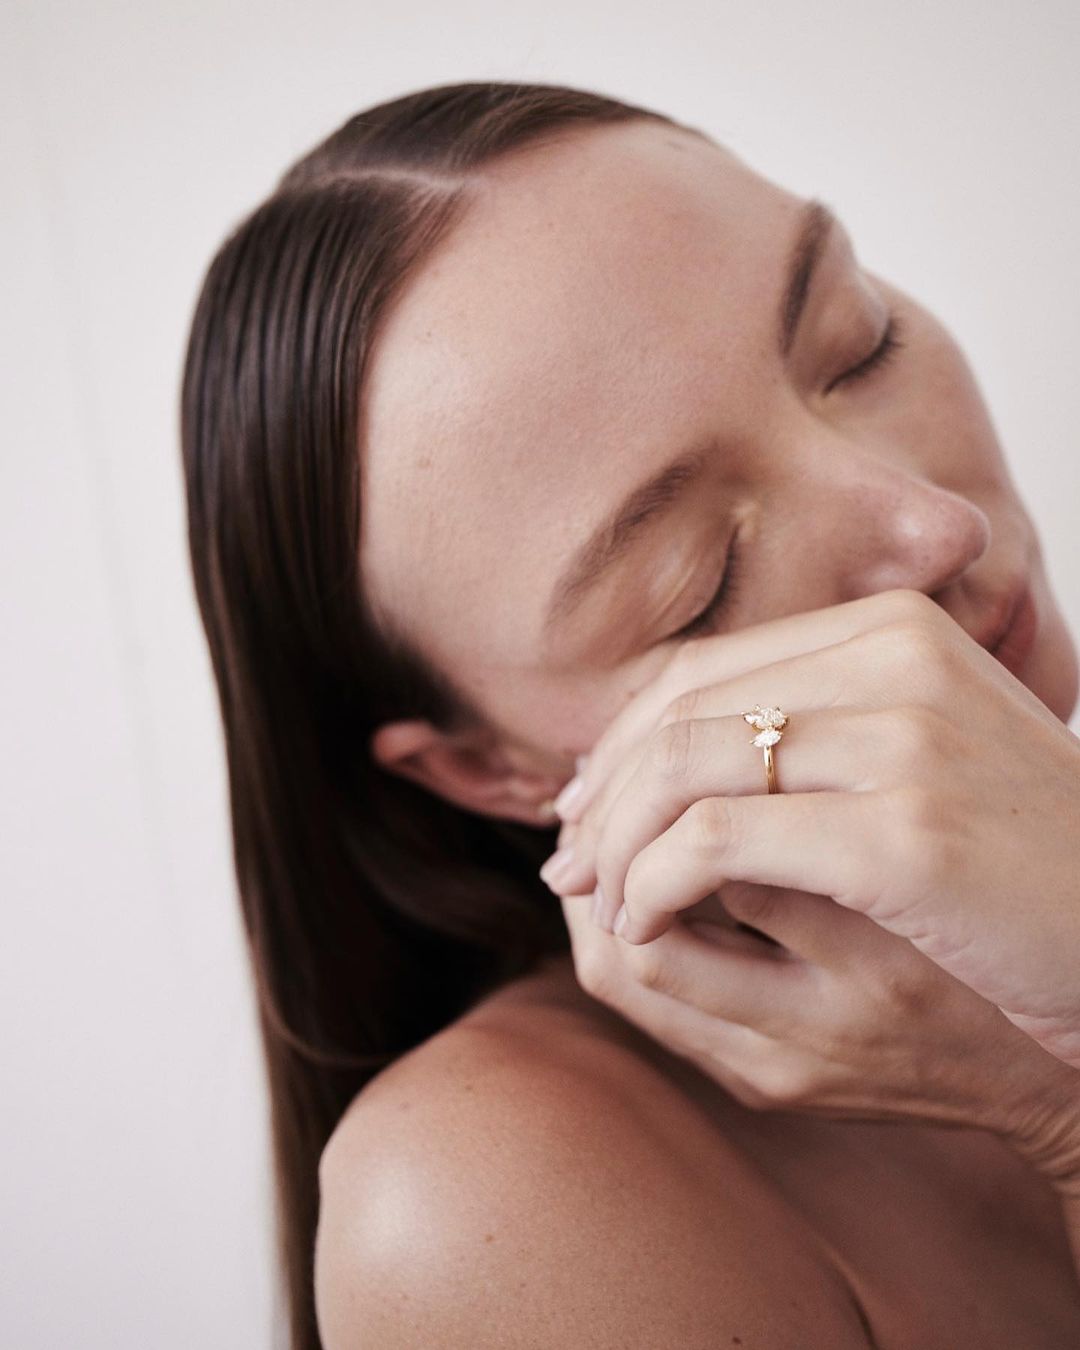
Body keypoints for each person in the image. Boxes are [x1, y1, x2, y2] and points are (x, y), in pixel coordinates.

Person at [179, 80, 1080, 1350]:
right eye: (696, 580)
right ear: (487, 765)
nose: (936, 527)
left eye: (859, 343)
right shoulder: (482, 1200)